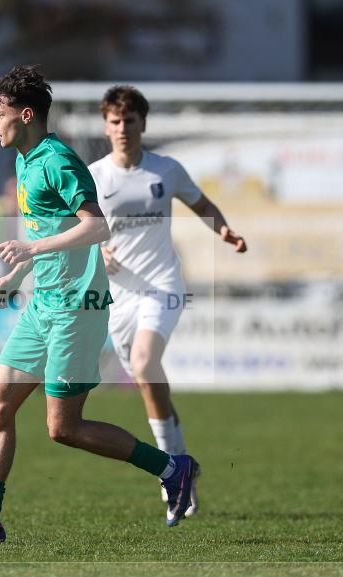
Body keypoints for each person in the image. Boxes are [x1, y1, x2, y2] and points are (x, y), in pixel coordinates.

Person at [0, 66, 199, 546]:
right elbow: (44, 233)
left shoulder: (58, 160)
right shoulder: (24, 158)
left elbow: (98, 228)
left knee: (64, 428)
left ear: (27, 114)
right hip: (43, 304)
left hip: (78, 309)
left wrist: (31, 253)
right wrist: (16, 272)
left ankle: (171, 467)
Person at [88, 85, 248, 520]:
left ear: (143, 123)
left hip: (162, 284)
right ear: (106, 125)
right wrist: (96, 251)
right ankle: (179, 465)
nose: (123, 129)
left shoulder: (166, 170)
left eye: (131, 121)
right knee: (146, 378)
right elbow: (76, 231)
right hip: (119, 297)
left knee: (144, 362)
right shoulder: (94, 176)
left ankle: (169, 472)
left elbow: (201, 203)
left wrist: (225, 231)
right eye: (115, 121)